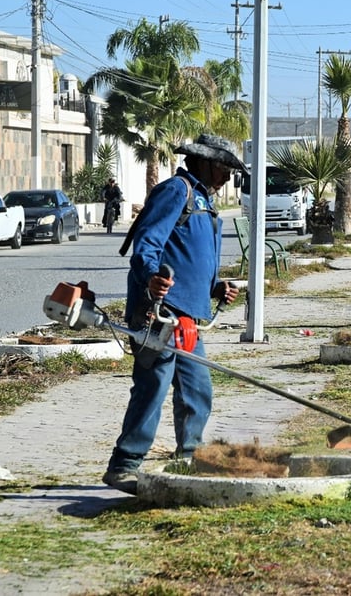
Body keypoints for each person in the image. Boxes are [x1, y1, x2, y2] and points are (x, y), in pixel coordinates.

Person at [102, 133, 244, 495]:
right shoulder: (176, 192)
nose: (228, 176)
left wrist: (215, 287)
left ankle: (187, 460)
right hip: (159, 314)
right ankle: (124, 466)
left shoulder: (205, 203)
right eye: (225, 168)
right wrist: (151, 276)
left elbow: (191, 257)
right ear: (206, 162)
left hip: (188, 319)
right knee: (153, 388)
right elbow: (148, 242)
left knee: (198, 391)